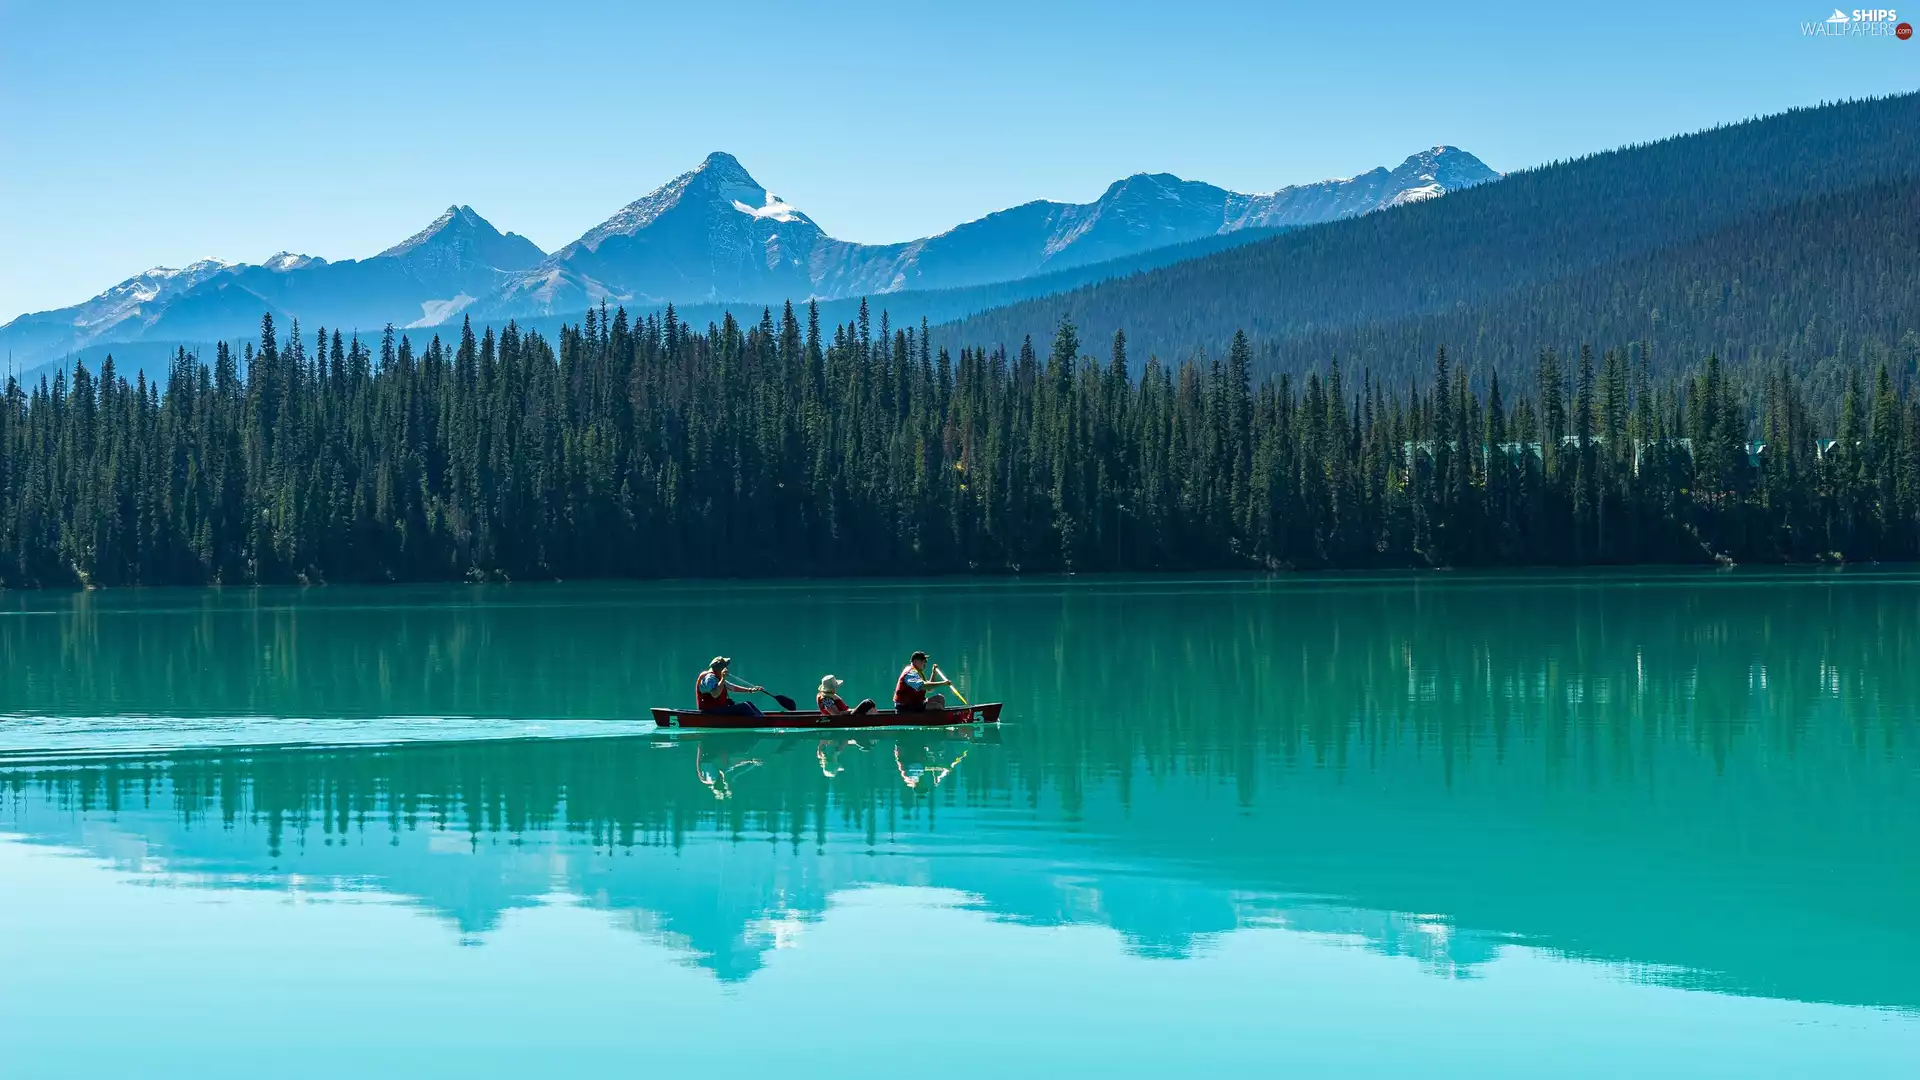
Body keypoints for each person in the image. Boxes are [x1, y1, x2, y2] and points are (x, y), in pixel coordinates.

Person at [696, 656, 765, 717]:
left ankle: (762, 718)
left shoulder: (716, 677)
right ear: (720, 669)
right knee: (745, 707)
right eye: (725, 667)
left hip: (718, 709)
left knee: (749, 703)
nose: (727, 668)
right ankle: (761, 721)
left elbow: (732, 687)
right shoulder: (709, 678)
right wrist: (723, 678)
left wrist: (750, 690)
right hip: (710, 711)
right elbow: (715, 694)